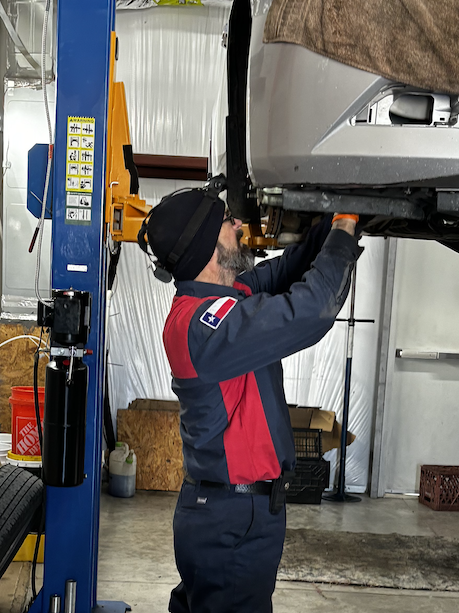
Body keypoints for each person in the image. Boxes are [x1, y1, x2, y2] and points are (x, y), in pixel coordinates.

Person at [139, 183, 361, 613]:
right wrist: (346, 227)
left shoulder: (222, 299)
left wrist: (329, 223)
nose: (238, 224)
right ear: (206, 247)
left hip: (233, 514)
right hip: (232, 521)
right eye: (226, 221)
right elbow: (310, 310)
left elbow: (281, 273)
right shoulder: (200, 325)